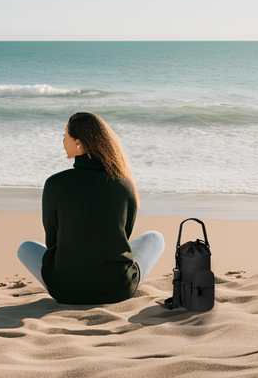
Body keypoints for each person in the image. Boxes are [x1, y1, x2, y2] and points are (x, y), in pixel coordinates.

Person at [17, 111, 165, 305]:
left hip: (65, 290)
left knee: (25, 248)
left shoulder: (55, 183)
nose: (63, 142)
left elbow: (52, 241)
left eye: (65, 136)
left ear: (79, 143)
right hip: (116, 289)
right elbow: (122, 238)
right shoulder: (124, 184)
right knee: (156, 237)